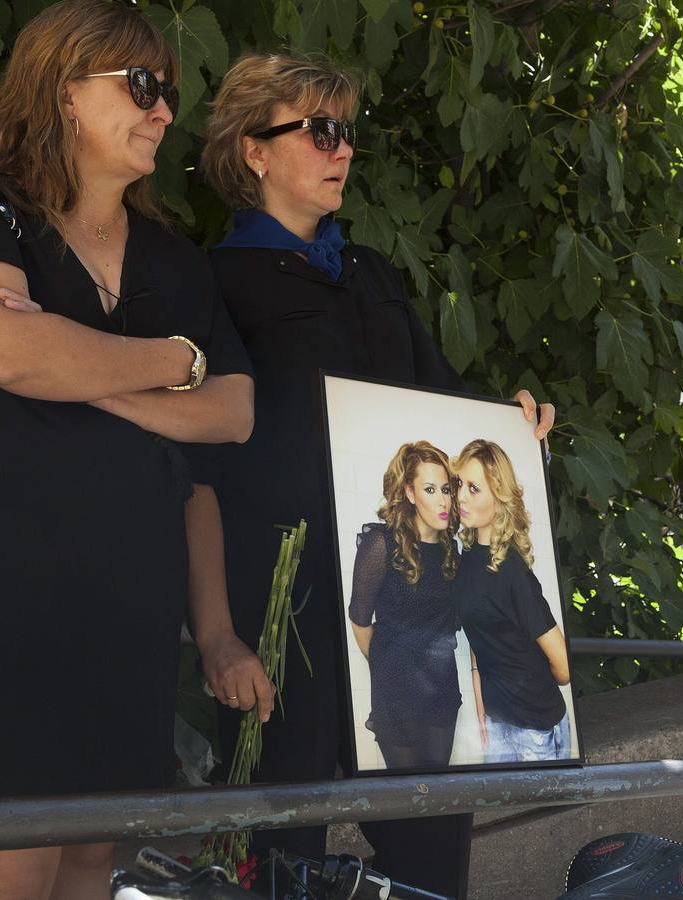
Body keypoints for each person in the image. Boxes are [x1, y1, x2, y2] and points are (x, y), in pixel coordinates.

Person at [197, 52, 552, 897]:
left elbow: (438, 411)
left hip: (418, 613)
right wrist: (218, 634)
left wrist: (511, 428)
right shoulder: (211, 281)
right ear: (255, 150)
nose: (342, 149)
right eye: (319, 131)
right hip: (281, 615)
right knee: (272, 866)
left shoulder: (371, 272)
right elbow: (195, 470)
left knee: (432, 863)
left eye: (346, 132)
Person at [0, 1, 255, 895]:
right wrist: (173, 363)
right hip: (10, 606)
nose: (165, 110)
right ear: (64, 91)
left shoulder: (176, 259)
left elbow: (232, 415)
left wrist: (81, 368)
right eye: (141, 86)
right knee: (15, 855)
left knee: (93, 856)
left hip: (129, 616)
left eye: (169, 93)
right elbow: (7, 352)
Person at [453, 439, 572, 762]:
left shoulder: (512, 571)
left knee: (544, 815)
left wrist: (520, 683)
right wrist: (482, 709)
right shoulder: (467, 559)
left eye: (474, 488)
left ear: (499, 498)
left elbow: (562, 665)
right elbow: (480, 641)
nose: (461, 495)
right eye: (460, 483)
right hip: (498, 722)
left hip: (534, 730)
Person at [348, 441, 462, 769]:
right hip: (396, 696)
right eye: (430, 489)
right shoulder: (381, 543)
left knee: (440, 796)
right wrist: (391, 664)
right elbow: (359, 618)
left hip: (442, 693)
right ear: (410, 493)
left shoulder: (451, 549)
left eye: (445, 489)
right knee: (408, 801)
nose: (442, 500)